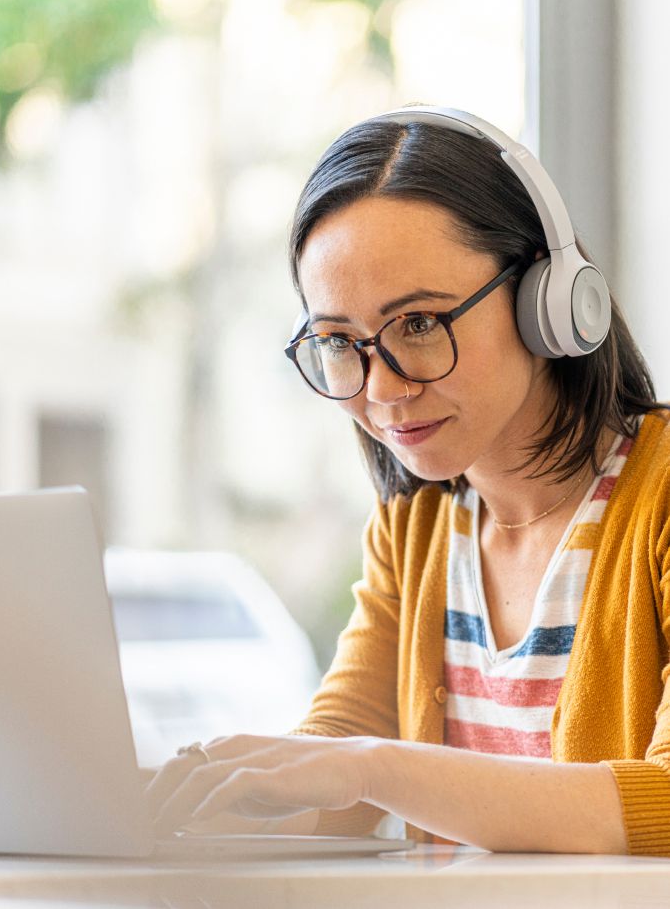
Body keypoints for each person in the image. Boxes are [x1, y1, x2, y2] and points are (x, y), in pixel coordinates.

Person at [146, 107, 670, 856]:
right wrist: (170, 798)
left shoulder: (658, 504)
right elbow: (333, 778)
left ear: (549, 300)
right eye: (338, 342)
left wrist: (374, 769)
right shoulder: (417, 533)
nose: (381, 389)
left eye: (419, 324)